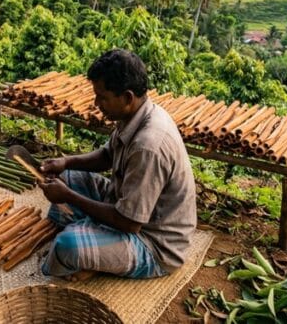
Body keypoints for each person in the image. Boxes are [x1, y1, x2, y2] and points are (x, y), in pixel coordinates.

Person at [37, 49, 197, 282]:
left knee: (67, 244)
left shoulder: (148, 146)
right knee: (67, 177)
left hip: (152, 242)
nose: (96, 103)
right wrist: (65, 162)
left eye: (102, 97)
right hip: (124, 203)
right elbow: (106, 156)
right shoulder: (136, 115)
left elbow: (129, 223)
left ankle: (94, 253)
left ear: (127, 97)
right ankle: (96, 246)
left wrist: (69, 197)